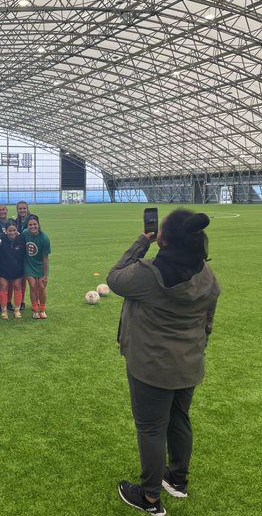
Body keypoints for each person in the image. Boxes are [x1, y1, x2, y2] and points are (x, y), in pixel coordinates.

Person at [107, 210, 220, 516]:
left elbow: (115, 278)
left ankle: (150, 498)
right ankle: (178, 480)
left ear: (164, 239)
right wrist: (198, 347)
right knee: (179, 419)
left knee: (151, 429)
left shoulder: (148, 273)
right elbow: (209, 317)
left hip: (151, 367)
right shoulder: (205, 273)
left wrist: (140, 244)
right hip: (188, 363)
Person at [22, 216, 51, 319]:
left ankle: (42, 309)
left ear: (38, 224)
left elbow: (45, 259)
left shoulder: (44, 238)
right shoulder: (24, 233)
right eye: (30, 224)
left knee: (42, 287)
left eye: (34, 224)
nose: (32, 226)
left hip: (40, 266)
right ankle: (35, 310)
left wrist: (45, 275)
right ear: (27, 226)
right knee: (33, 285)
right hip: (28, 264)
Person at [0, 221, 26, 319]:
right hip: (3, 269)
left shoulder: (22, 239)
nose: (12, 233)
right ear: (5, 231)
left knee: (17, 286)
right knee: (4, 287)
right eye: (10, 230)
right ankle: (4, 310)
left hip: (17, 269)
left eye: (14, 230)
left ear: (17, 230)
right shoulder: (0, 238)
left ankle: (17, 310)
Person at [15, 201, 39, 310]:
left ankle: (37, 301)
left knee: (34, 281)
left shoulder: (33, 219)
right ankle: (22, 302)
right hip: (20, 253)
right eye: (20, 209)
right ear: (17, 210)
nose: (22, 210)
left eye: (24, 208)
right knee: (22, 280)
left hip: (31, 252)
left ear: (27, 208)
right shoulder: (16, 222)